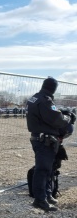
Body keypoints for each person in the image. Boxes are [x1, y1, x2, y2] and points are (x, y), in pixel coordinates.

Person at [26, 77, 74, 211]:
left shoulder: (35, 98)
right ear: (53, 88)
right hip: (44, 140)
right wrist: (68, 118)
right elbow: (56, 119)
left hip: (40, 139)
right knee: (43, 170)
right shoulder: (45, 100)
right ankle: (40, 199)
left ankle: (46, 194)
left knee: (48, 169)